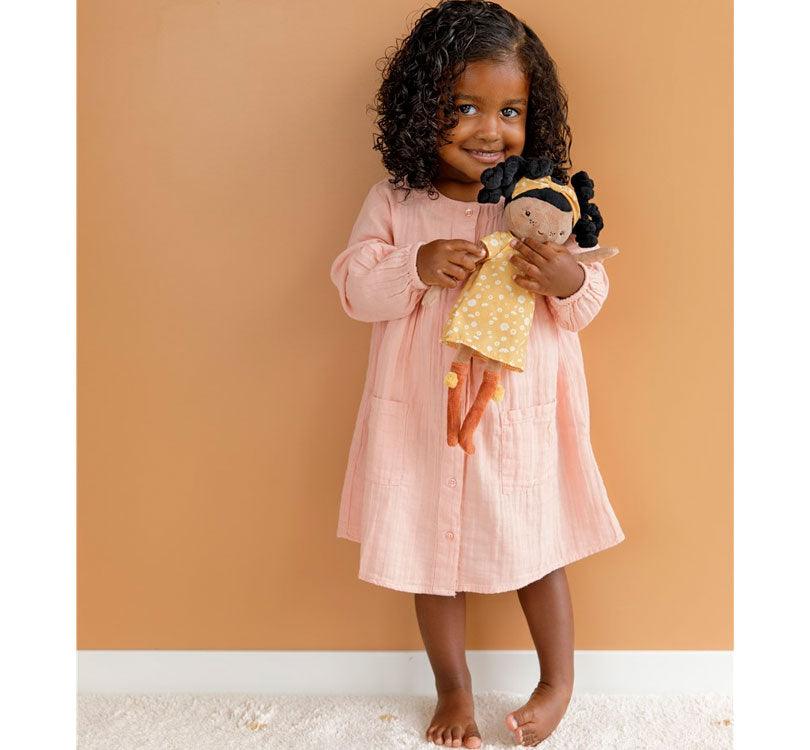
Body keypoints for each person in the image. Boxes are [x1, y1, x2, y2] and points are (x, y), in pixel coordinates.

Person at [329, 2, 625, 747]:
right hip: (424, 422)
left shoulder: (539, 206)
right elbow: (353, 288)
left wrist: (562, 277)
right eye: (464, 108)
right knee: (433, 560)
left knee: (537, 550)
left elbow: (588, 299)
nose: (490, 130)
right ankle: (452, 687)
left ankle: (557, 682)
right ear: (418, 110)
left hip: (520, 425)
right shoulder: (396, 203)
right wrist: (414, 265)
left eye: (511, 111)